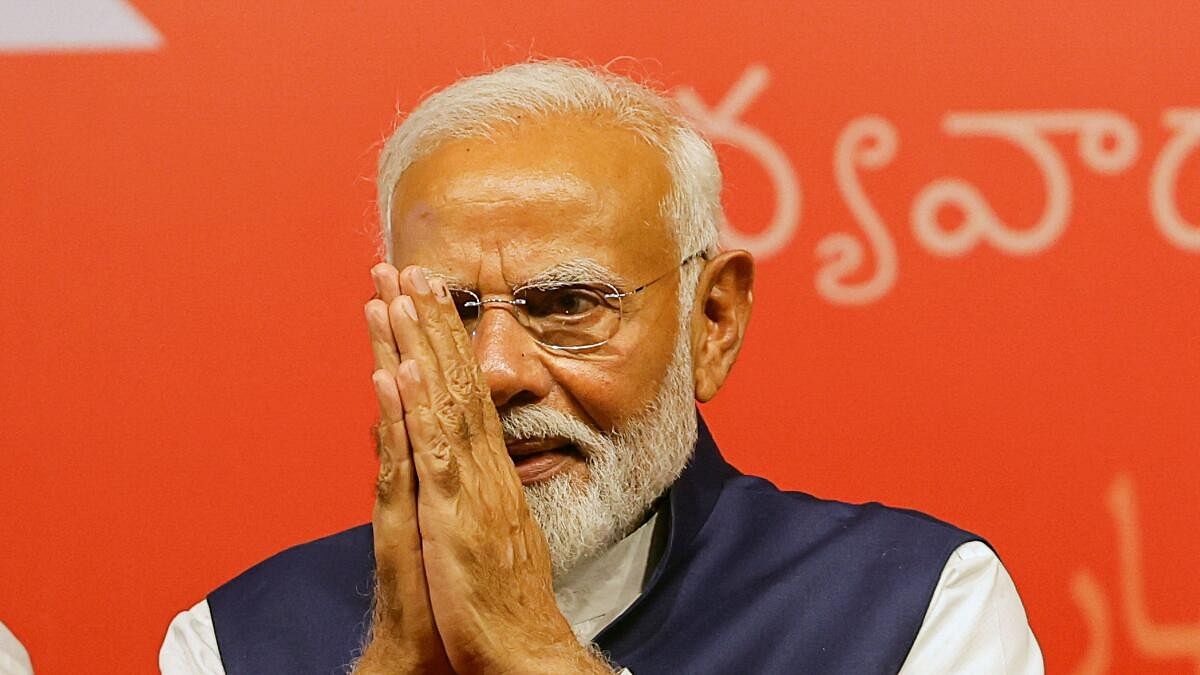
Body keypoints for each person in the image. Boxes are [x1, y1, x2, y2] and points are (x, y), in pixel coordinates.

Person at [160, 60, 1042, 674]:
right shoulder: (236, 643)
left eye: (568, 306)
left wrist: (537, 653)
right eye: (451, 314)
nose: (498, 370)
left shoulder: (913, 607)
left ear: (713, 320)